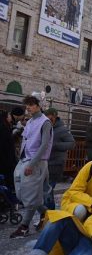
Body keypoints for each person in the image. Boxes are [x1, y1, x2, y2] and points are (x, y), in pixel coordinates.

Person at [11, 95, 53, 239]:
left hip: (35, 162)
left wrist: (32, 163)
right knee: (21, 193)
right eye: (26, 105)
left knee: (29, 196)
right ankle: (45, 213)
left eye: (31, 104)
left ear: (38, 105)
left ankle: (24, 227)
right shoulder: (29, 122)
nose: (27, 107)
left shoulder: (45, 122)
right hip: (24, 161)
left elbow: (44, 144)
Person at [43, 108, 75, 211]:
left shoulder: (62, 129)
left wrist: (54, 145)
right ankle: (47, 214)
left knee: (48, 190)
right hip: (46, 163)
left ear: (54, 116)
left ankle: (50, 213)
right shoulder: (47, 127)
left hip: (55, 165)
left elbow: (71, 143)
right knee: (45, 190)